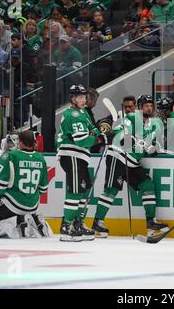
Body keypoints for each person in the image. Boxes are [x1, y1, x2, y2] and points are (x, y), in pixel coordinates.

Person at [92, 94, 169, 238]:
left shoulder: (155, 125)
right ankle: (97, 222)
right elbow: (119, 131)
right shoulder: (132, 117)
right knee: (111, 189)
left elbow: (154, 144)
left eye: (151, 105)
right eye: (146, 105)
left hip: (133, 162)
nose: (149, 108)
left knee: (147, 185)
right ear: (139, 107)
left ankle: (150, 221)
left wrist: (153, 149)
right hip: (119, 156)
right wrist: (126, 137)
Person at [0, 131, 52, 238]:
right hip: (33, 206)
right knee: (22, 208)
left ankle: (20, 220)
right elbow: (43, 189)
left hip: (13, 205)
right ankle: (34, 219)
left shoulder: (10, 156)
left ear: (20, 142)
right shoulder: (40, 158)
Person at [56, 84, 104, 241]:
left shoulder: (82, 112)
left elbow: (92, 129)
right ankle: (66, 226)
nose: (84, 100)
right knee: (76, 191)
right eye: (80, 97)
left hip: (80, 157)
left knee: (84, 190)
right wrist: (98, 139)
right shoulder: (73, 115)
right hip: (72, 156)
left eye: (85, 97)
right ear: (72, 99)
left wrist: (102, 132)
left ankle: (78, 223)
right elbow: (82, 140)